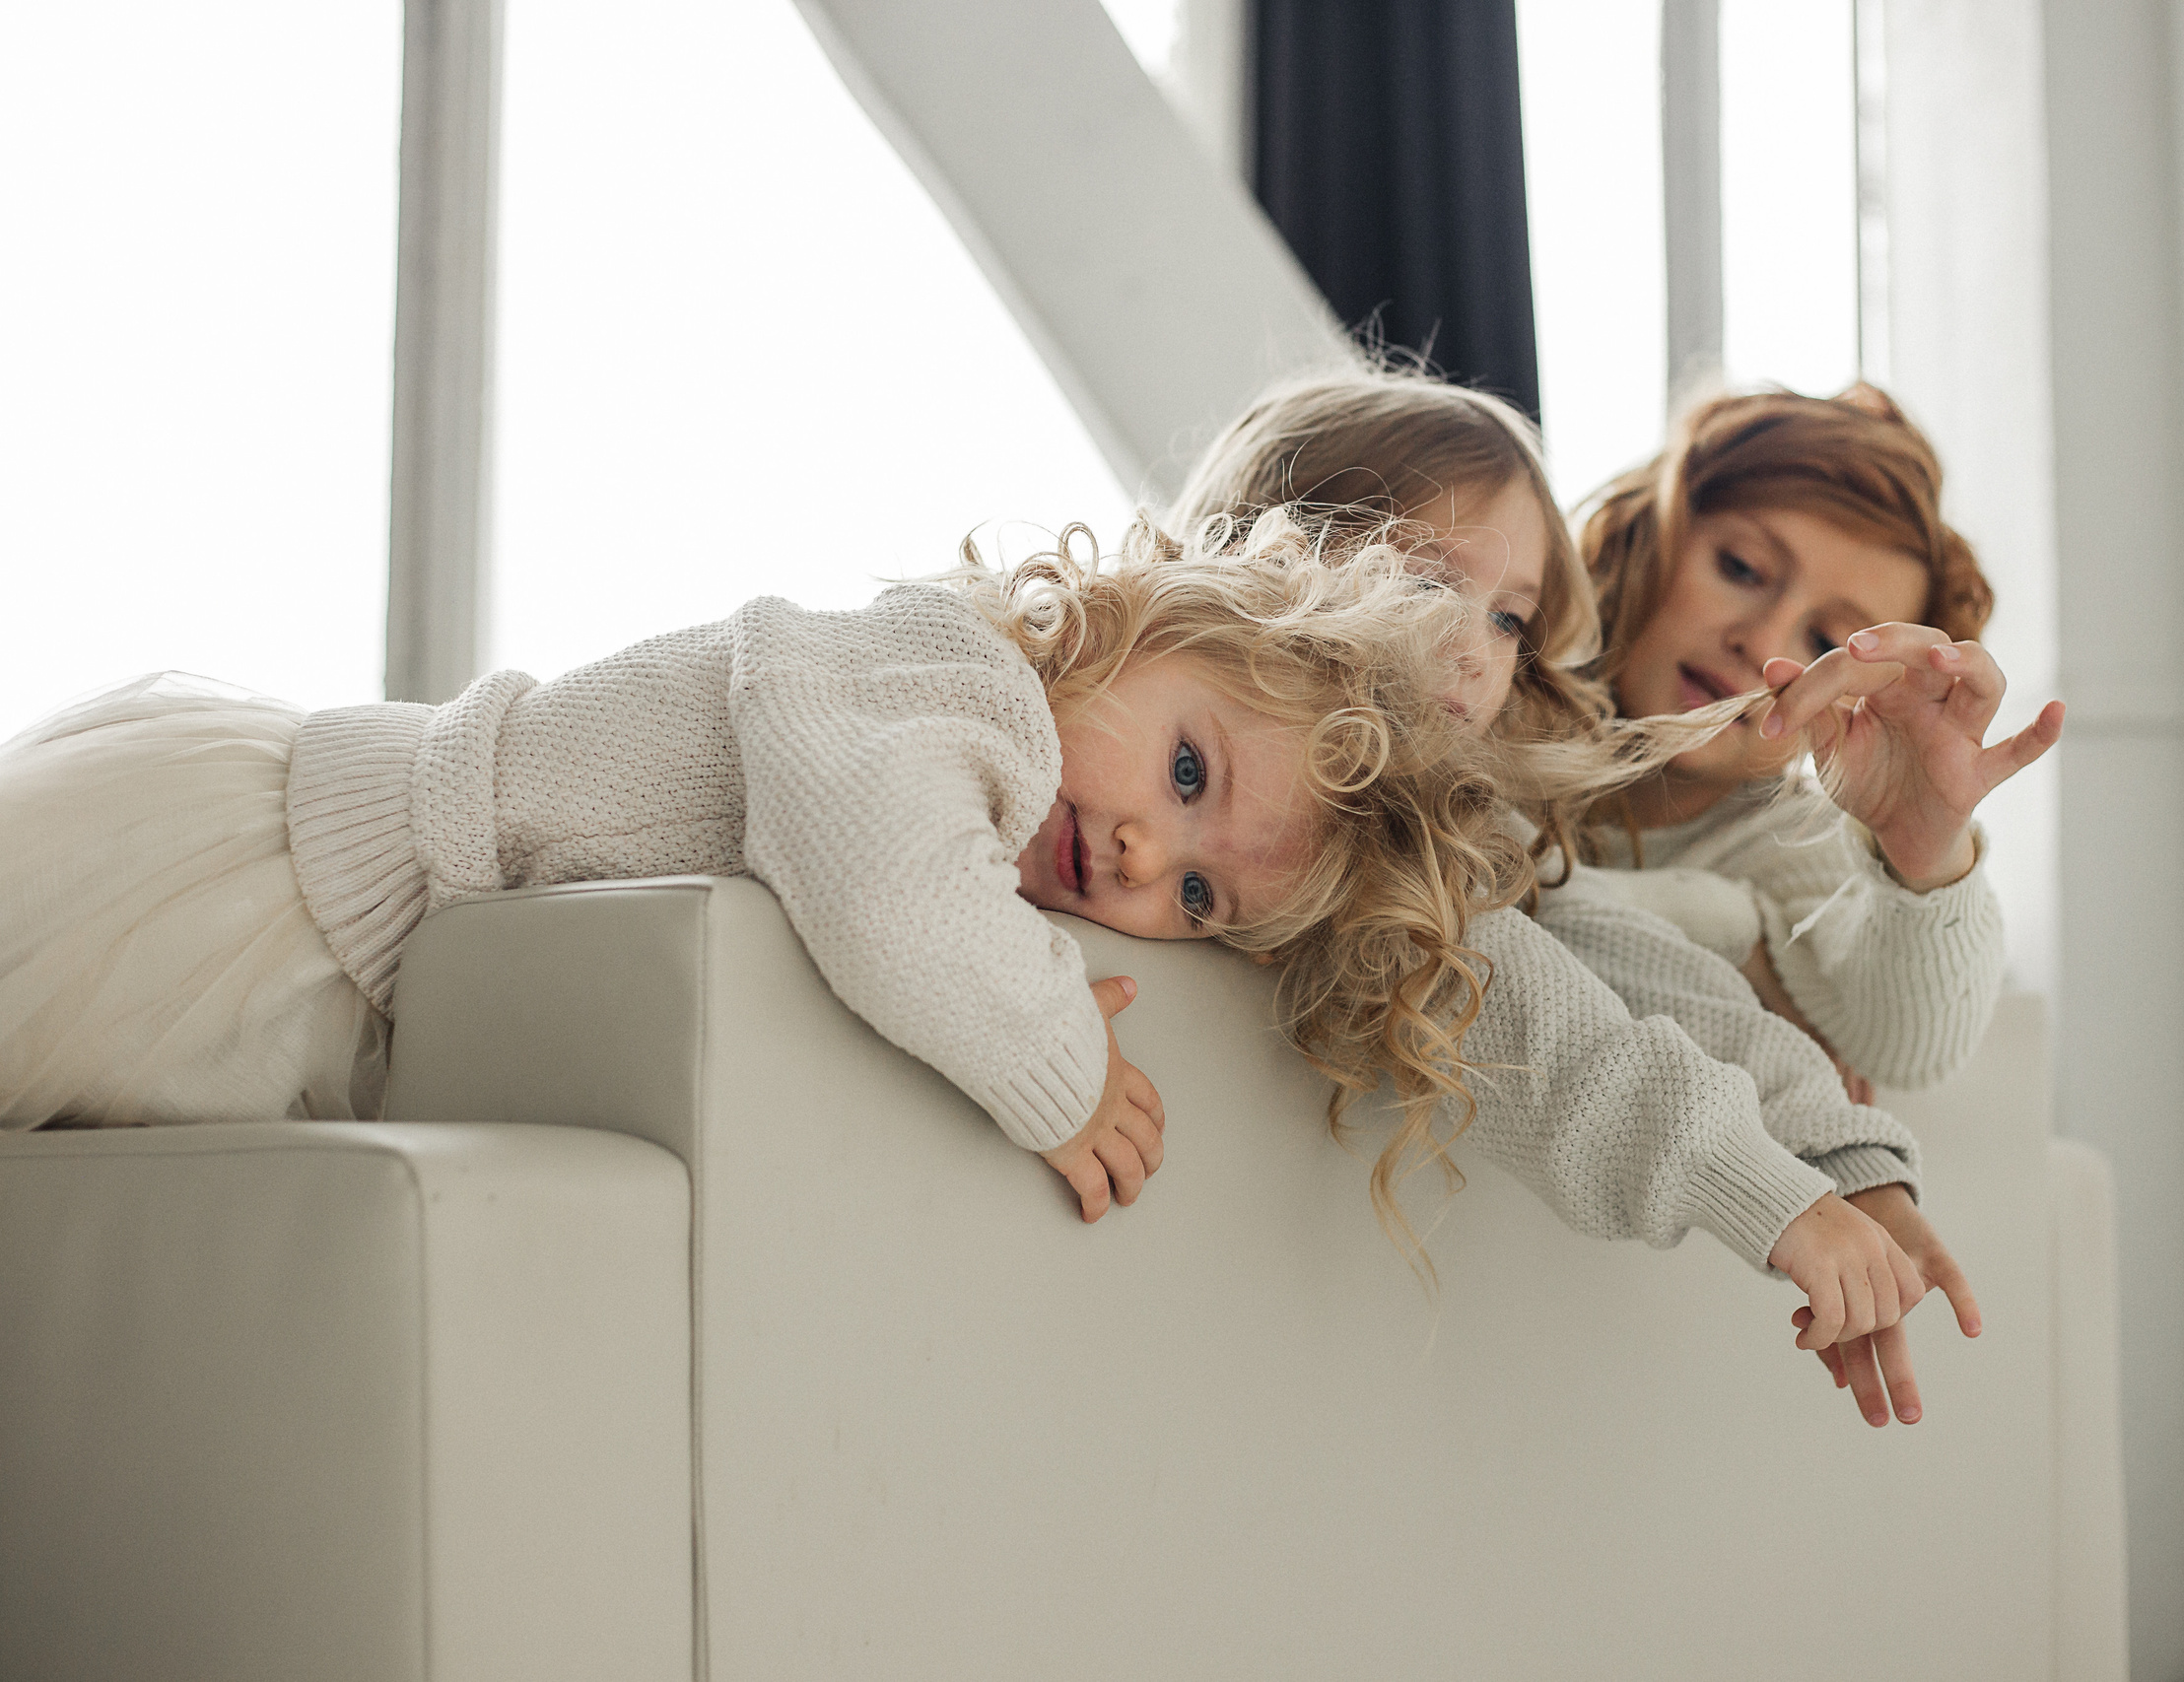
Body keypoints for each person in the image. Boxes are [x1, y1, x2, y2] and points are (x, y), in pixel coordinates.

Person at [0, 514, 1923, 1376]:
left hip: (337, 946)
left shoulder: (1045, 766)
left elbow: (1534, 1021)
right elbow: (881, 884)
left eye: (1191, 898)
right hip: (255, 871)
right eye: (1179, 763)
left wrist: (1784, 1173)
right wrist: (1057, 1070)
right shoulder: (942, 674)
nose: (1145, 853)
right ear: (1114, 614)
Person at [1170, 369, 1961, 1428]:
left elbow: (1608, 960)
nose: (1469, 648)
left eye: (1507, 618)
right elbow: (1543, 1004)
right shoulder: (1144, 705)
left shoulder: (1444, 827)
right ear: (1262, 552)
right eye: (1422, 585)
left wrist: (1835, 1158)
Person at [1574, 381, 2066, 1402]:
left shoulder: (1782, 836)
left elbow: (1905, 1043)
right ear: (1651, 532)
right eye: (1741, 567)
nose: (1762, 642)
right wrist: (1728, 933)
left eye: (1829, 639)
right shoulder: (1483, 702)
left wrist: (1920, 848)